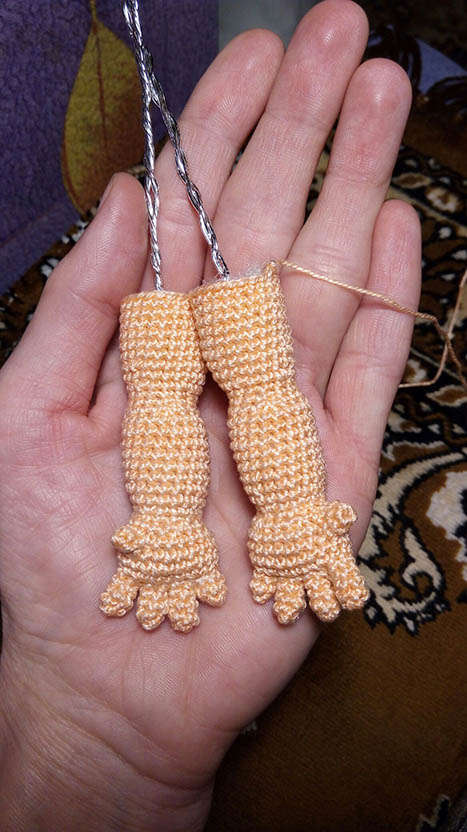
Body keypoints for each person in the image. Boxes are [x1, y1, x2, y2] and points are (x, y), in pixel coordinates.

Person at [0, 1, 420, 829]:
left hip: (265, 518)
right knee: (182, 394)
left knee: (252, 391)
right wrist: (74, 727)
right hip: (184, 536)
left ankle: (262, 526)